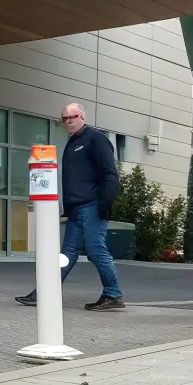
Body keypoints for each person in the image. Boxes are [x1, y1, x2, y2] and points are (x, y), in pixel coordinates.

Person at [15, 103, 125, 310]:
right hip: (76, 208)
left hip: (92, 205)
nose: (68, 121)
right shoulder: (73, 142)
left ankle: (113, 293)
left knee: (95, 250)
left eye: (72, 117)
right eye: (64, 118)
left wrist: (104, 204)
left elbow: (111, 175)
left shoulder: (95, 139)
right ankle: (45, 292)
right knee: (66, 254)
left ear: (82, 116)